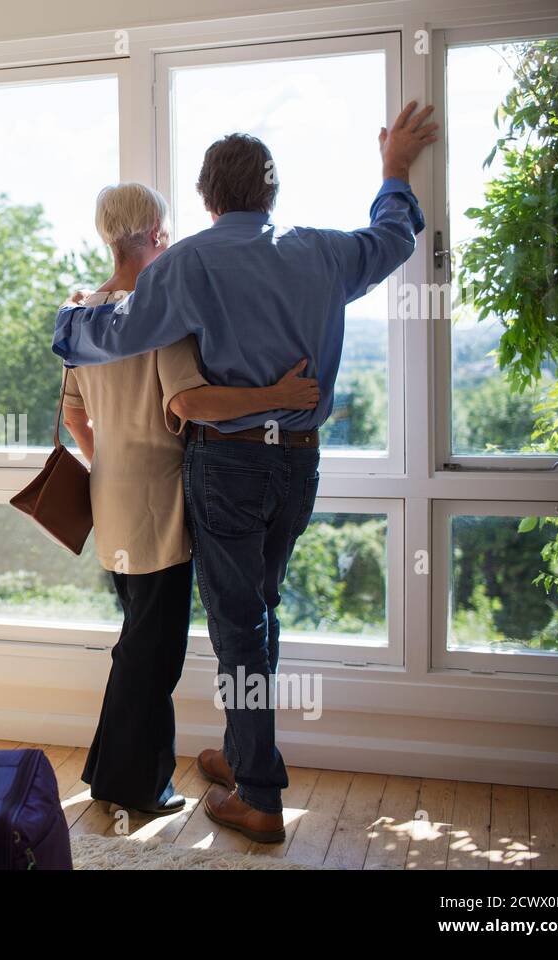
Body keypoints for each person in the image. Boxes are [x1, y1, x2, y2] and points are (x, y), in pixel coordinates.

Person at [54, 103, 437, 842]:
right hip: (297, 466)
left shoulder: (191, 261)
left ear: (207, 197)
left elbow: (124, 330)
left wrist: (69, 325)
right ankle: (244, 756)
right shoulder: (320, 250)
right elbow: (394, 237)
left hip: (228, 465)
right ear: (272, 192)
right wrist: (393, 169)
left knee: (239, 627)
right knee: (260, 611)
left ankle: (259, 793)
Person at [62, 182, 318, 815]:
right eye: (167, 231)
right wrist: (277, 395)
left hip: (110, 499)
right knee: (155, 657)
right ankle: (137, 787)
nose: (172, 242)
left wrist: (110, 466)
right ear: (152, 235)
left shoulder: (83, 318)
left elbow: (75, 419)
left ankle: (106, 770)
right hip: (161, 509)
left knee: (135, 642)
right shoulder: (161, 316)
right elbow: (191, 404)